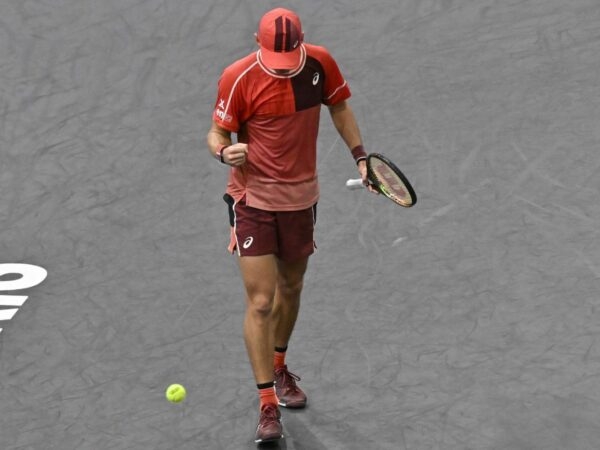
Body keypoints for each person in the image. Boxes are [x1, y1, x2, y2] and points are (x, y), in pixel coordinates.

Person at [207, 7, 373, 444]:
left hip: (301, 198)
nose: (283, 71)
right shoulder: (238, 77)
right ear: (258, 45)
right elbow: (216, 135)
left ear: (301, 44)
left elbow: (339, 108)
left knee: (292, 287)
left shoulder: (319, 64)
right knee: (261, 301)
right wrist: (224, 154)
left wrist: (361, 156)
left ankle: (279, 368)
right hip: (253, 199)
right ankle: (266, 404)